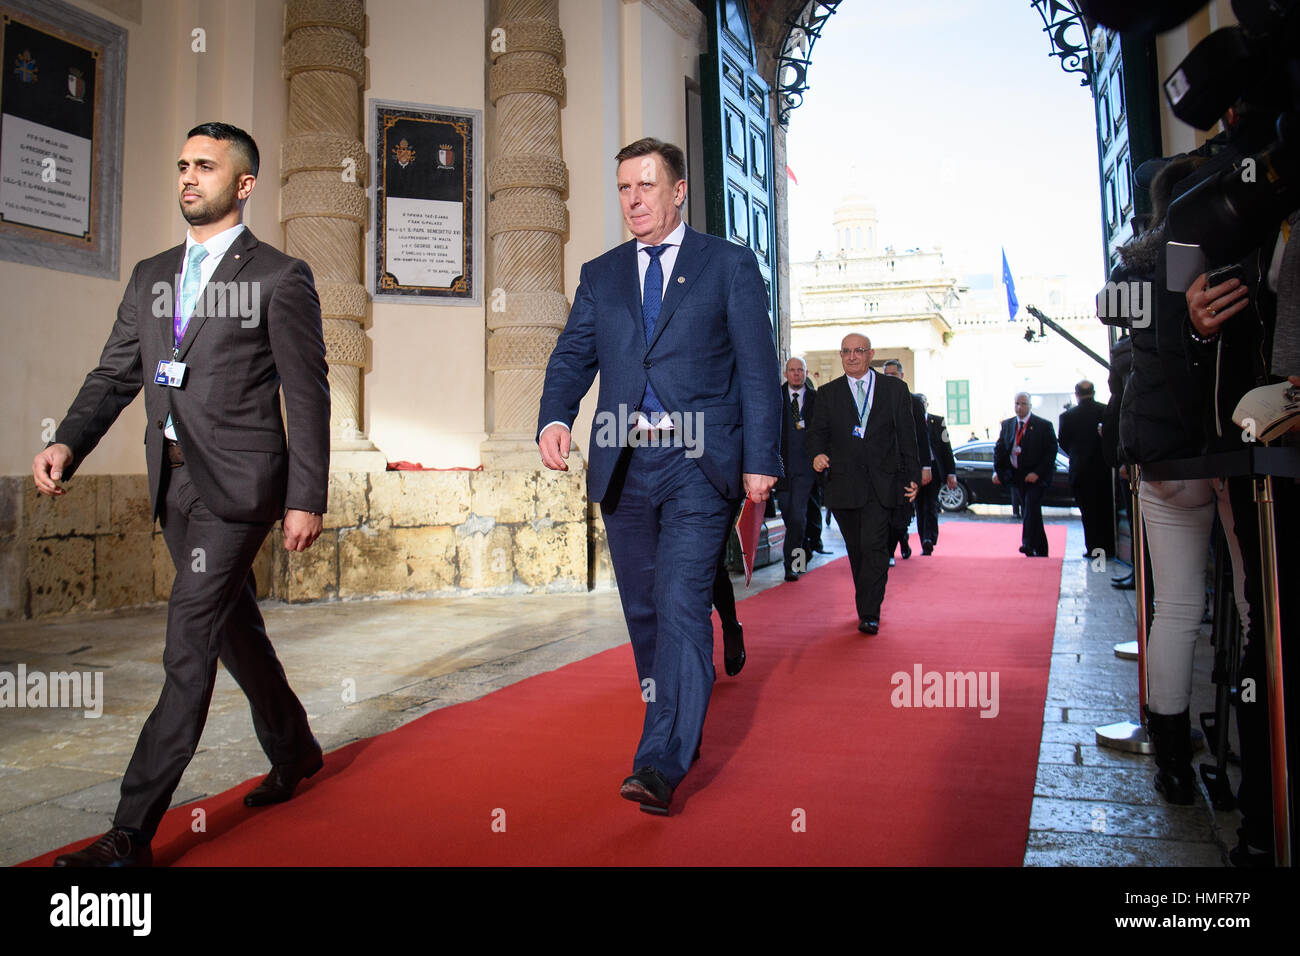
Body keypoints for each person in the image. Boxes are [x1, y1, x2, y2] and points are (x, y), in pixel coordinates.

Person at [32, 123, 330, 867]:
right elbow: (112, 376)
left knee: (187, 642)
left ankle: (131, 831)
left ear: (244, 184)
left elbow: (309, 393)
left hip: (240, 486)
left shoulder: (279, 277)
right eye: (182, 165)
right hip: (173, 481)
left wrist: (307, 495)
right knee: (233, 630)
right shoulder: (151, 274)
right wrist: (68, 440)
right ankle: (296, 749)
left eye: (205, 166)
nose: (188, 178)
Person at [536, 137, 781, 815]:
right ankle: (671, 727)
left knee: (678, 604)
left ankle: (662, 758)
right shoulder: (601, 273)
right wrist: (554, 417)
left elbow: (758, 371)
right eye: (623, 188)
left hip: (698, 462)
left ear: (677, 191)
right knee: (643, 611)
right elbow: (571, 357)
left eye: (646, 186)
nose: (634, 200)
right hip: (623, 459)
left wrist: (762, 458)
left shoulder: (727, 266)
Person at [806, 334, 920, 634]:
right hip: (844, 486)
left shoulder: (894, 390)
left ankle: (870, 612)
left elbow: (907, 436)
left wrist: (913, 477)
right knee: (857, 550)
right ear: (841, 356)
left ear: (870, 355)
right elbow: (817, 433)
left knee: (874, 547)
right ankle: (866, 600)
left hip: (884, 484)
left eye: (858, 351)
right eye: (846, 352)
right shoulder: (827, 393)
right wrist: (817, 454)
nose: (852, 357)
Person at [993, 393, 1057, 557]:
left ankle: (1027, 543)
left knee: (1030, 505)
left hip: (1037, 476)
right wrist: (998, 472)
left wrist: (1037, 473)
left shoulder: (1043, 425)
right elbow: (1000, 450)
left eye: (1023, 404)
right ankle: (1042, 549)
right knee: (1031, 510)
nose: (1019, 407)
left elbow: (1050, 453)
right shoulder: (1007, 425)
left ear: (1029, 405)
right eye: (1017, 404)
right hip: (1017, 475)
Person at [879, 358, 931, 561]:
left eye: (893, 374)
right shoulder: (875, 401)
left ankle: (900, 539)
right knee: (884, 512)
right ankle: (889, 551)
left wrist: (925, 467)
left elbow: (922, 437)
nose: (889, 378)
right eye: (886, 374)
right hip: (882, 466)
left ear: (902, 376)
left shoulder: (915, 402)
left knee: (901, 512)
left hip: (905, 467)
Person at [1058, 380, 1115, 558]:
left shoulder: (1067, 416)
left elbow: (1064, 443)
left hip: (1080, 470)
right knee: (1105, 510)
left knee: (1088, 513)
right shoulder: (1105, 411)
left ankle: (1094, 549)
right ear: (1094, 392)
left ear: (1076, 394)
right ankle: (1109, 547)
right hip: (1103, 469)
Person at [776, 356, 818, 581]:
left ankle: (793, 565)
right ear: (786, 373)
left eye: (800, 370)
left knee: (798, 517)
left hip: (806, 470)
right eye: (792, 370)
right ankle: (805, 550)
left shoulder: (816, 399)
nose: (796, 374)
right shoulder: (776, 398)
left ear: (806, 372)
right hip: (782, 470)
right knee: (790, 517)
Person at [915, 394, 956, 555]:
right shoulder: (909, 421)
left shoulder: (938, 422)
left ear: (927, 404)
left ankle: (929, 538)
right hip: (916, 470)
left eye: (923, 403)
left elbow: (947, 448)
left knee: (931, 504)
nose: (921, 406)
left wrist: (951, 472)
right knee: (920, 506)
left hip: (935, 470)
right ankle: (923, 538)